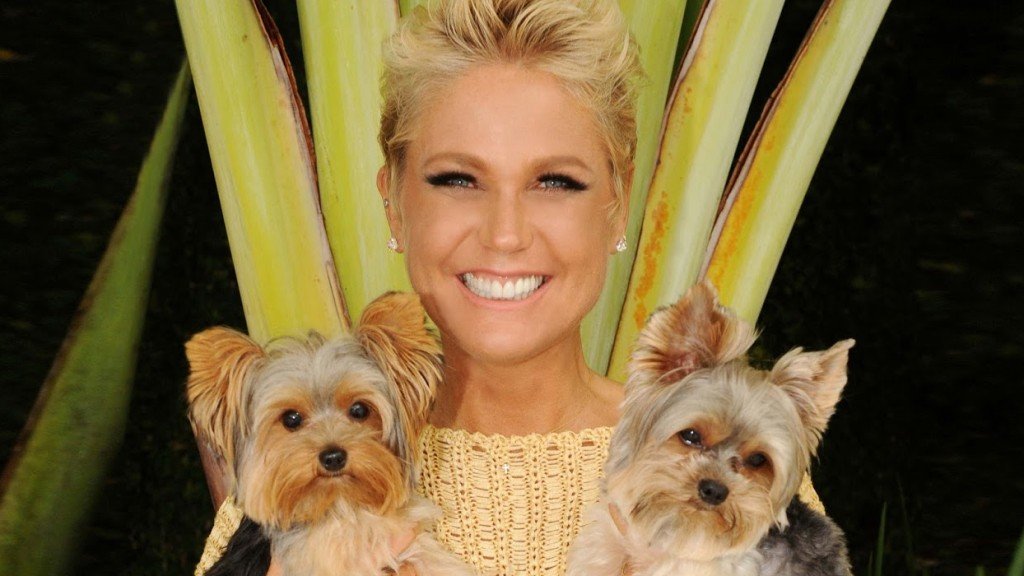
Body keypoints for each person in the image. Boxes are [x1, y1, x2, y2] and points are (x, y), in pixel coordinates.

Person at [193, 1, 822, 575]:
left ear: (618, 206)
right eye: (458, 180)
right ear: (393, 204)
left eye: (555, 182)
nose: (505, 234)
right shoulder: (286, 486)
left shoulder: (748, 472)